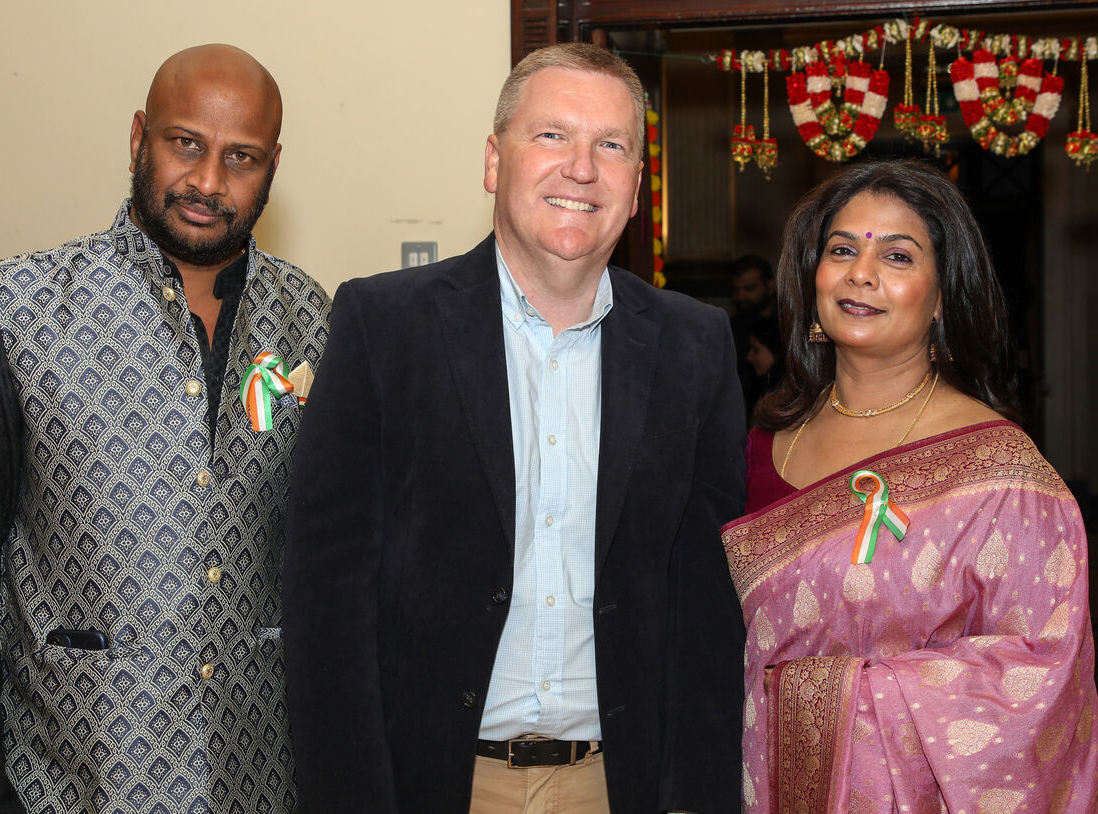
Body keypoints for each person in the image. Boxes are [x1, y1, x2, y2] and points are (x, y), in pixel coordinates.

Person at [284, 43, 746, 814]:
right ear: (494, 161)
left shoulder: (696, 347)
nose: (582, 168)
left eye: (612, 146)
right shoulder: (383, 325)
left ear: (637, 187)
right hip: (436, 782)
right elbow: (326, 595)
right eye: (552, 136)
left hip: (616, 785)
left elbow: (707, 604)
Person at [0, 44, 330, 813]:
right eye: (185, 144)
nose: (208, 182)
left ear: (273, 166)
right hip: (68, 788)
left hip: (263, 786)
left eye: (240, 157)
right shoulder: (14, 315)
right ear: (140, 136)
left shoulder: (315, 322)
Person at [721, 159, 1098, 812]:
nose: (860, 273)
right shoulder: (763, 445)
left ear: (943, 293)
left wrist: (832, 698)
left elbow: (1042, 681)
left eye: (897, 256)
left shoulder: (1001, 471)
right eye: (841, 250)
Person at [729, 254, 778, 418]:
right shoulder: (731, 327)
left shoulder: (789, 325)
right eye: (736, 290)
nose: (741, 296)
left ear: (770, 286)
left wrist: (774, 367)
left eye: (749, 289)